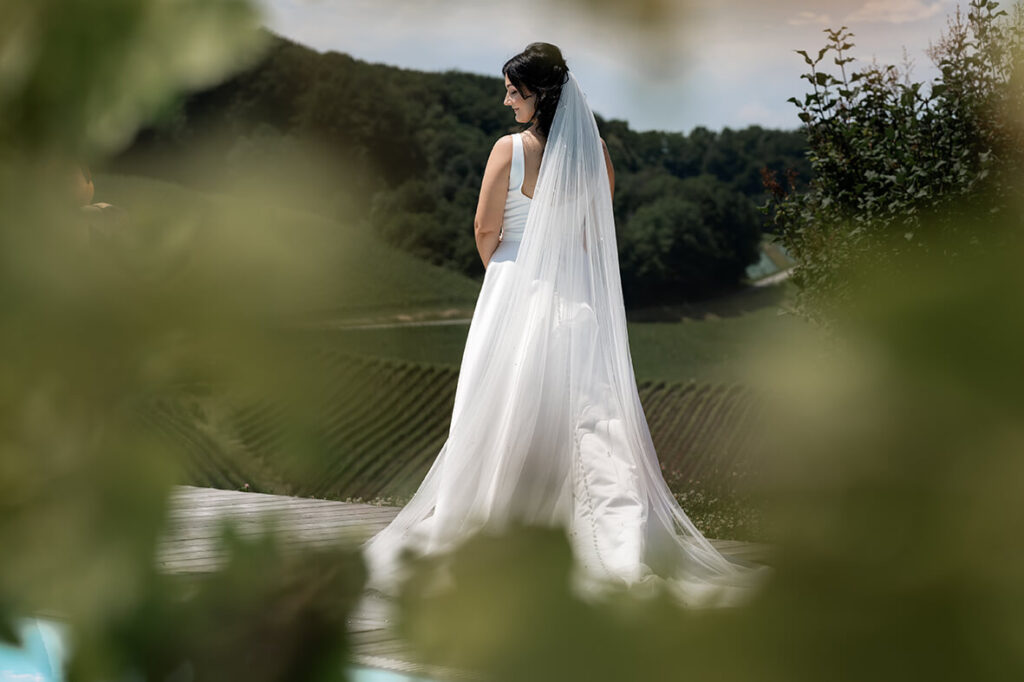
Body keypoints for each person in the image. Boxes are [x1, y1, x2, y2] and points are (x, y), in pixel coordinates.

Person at [361, 42, 771, 608]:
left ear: (537, 94)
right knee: (588, 416)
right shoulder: (594, 152)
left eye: (513, 90)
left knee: (503, 404)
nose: (506, 101)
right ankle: (601, 534)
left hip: (511, 288)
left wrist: (509, 276)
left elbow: (484, 229)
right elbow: (594, 234)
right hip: (576, 294)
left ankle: (500, 522)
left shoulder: (508, 151)